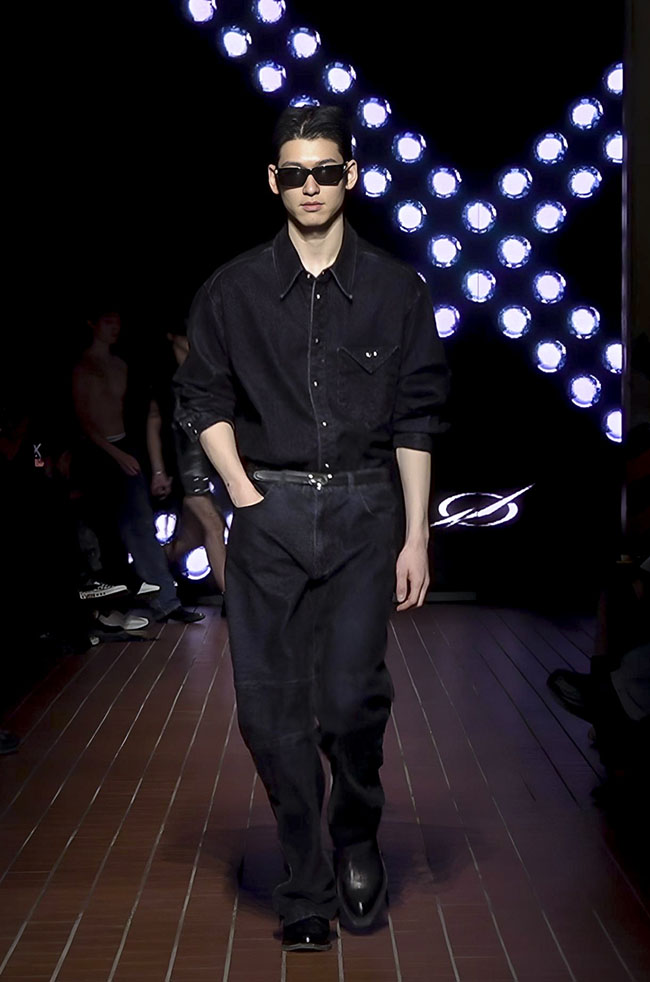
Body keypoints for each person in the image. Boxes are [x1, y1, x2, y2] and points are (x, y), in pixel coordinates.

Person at [174, 105, 449, 950]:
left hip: (366, 511)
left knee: (351, 701)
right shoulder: (233, 290)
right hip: (273, 509)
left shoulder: (398, 291)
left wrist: (417, 535)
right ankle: (305, 879)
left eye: (326, 171)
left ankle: (355, 834)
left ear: (350, 175)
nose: (311, 187)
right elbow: (202, 400)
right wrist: (244, 496)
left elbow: (416, 417)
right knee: (269, 710)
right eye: (295, 174)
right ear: (274, 181)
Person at [72, 309, 204, 624]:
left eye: (117, 322)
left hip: (125, 449)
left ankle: (166, 602)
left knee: (142, 526)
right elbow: (84, 421)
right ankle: (108, 612)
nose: (114, 327)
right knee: (104, 535)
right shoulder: (83, 367)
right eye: (108, 321)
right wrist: (114, 454)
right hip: (97, 452)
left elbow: (141, 411)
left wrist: (146, 462)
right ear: (93, 324)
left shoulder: (121, 364)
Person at [146, 325, 227, 594]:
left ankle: (146, 567)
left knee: (191, 539)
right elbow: (154, 422)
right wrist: (159, 471)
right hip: (187, 464)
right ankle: (234, 602)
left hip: (208, 460)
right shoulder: (167, 376)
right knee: (215, 525)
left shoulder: (208, 368)